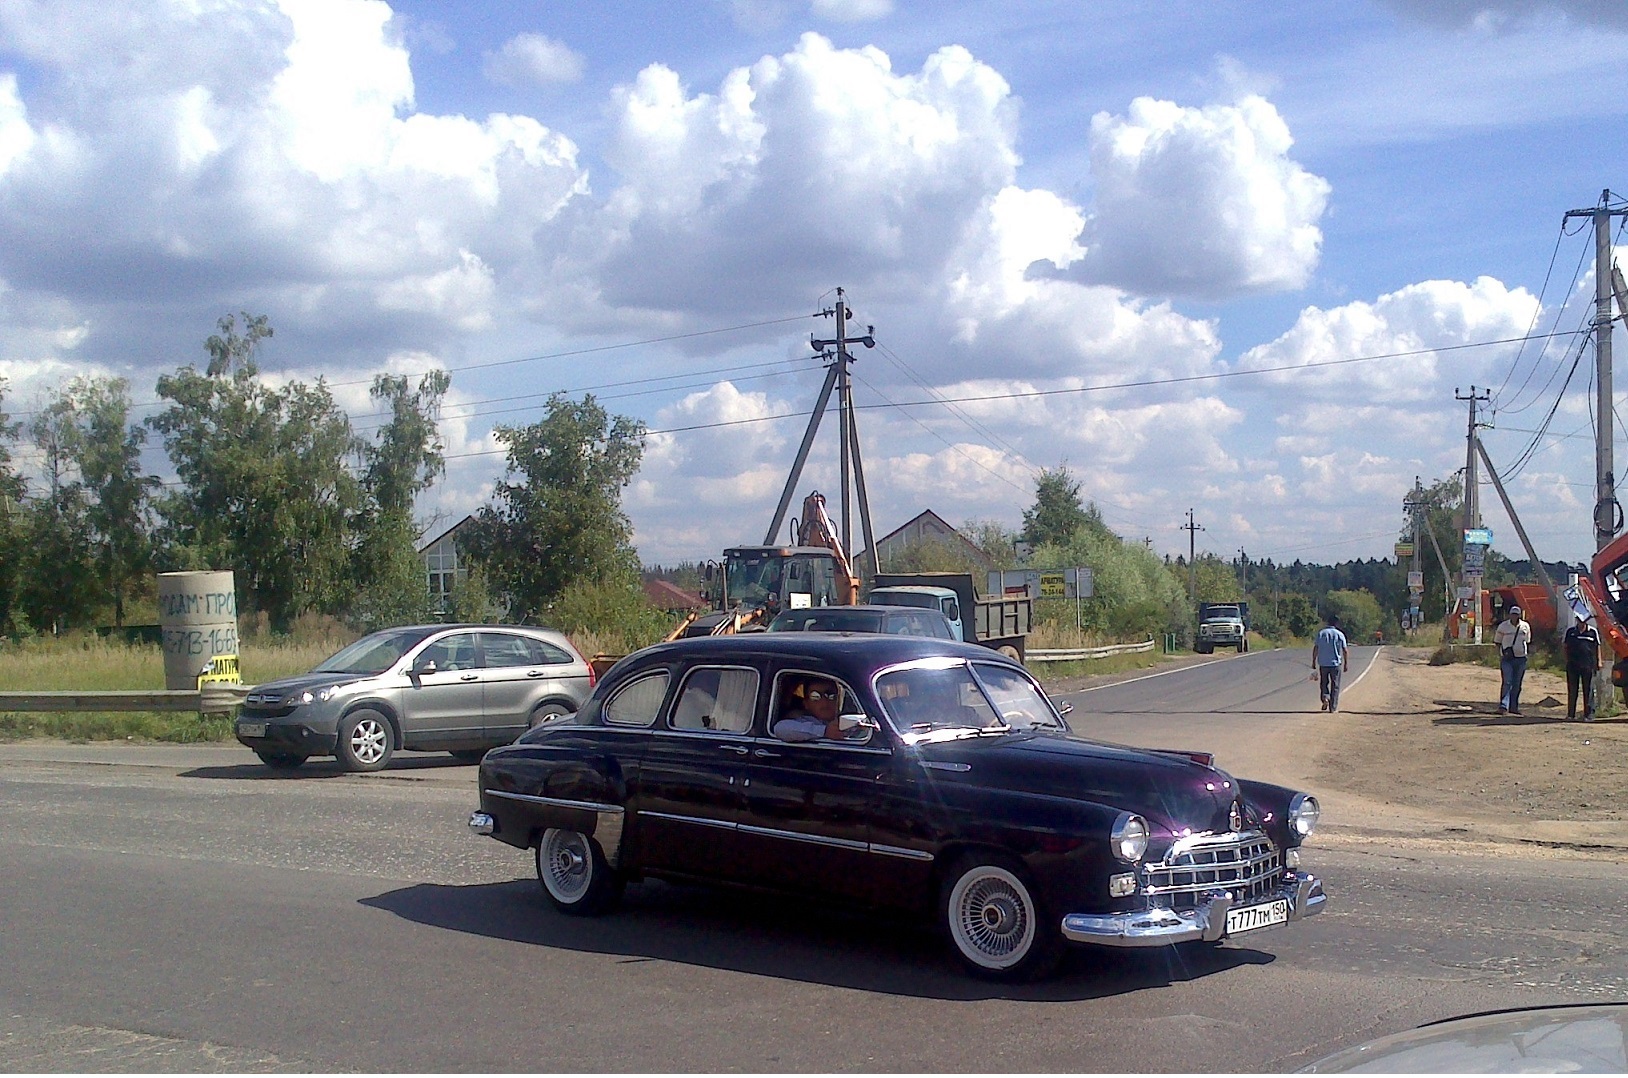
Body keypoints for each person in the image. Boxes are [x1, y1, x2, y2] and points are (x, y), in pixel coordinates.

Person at [772, 676, 845, 742]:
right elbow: (780, 729)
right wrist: (824, 731)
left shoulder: (847, 722)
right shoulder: (804, 722)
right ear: (806, 704)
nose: (824, 701)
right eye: (815, 696)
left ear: (839, 700)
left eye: (831, 696)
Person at [1563, 611, 1603, 721]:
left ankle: (1589, 715)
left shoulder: (1592, 632)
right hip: (1573, 665)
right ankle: (1571, 714)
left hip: (1588, 665)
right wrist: (1567, 660)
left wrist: (1599, 661)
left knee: (1589, 690)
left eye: (1583, 620)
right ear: (1577, 620)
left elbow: (1597, 647)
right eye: (1579, 620)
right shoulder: (1570, 632)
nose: (1581, 622)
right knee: (1572, 690)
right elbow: (1565, 647)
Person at [1494, 605, 1532, 716]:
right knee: (1507, 682)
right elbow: (1497, 641)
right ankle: (1503, 706)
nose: (1514, 616)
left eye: (1516, 614)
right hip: (1507, 659)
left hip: (1521, 658)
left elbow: (1527, 641)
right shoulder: (1503, 626)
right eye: (1513, 614)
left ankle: (1513, 707)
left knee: (1517, 683)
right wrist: (1503, 653)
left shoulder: (1525, 626)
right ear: (1509, 614)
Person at [1312, 613, 1350, 712]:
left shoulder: (1321, 633)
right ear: (1336, 623)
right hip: (1335, 664)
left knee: (1324, 683)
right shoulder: (1339, 634)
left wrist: (1313, 661)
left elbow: (1316, 648)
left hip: (1323, 663)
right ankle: (1332, 707)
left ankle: (1325, 697)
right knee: (1335, 685)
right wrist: (1346, 663)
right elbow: (1345, 650)